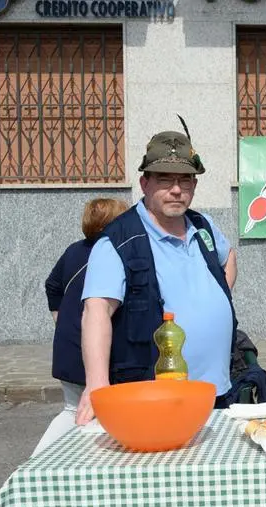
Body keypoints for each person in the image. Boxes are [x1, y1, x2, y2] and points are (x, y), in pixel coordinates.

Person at [76, 121, 238, 426]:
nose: (176, 190)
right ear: (145, 183)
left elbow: (228, 256)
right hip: (156, 401)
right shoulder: (119, 241)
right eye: (165, 180)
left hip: (218, 394)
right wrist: (96, 384)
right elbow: (95, 311)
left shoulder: (202, 226)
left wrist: (216, 298)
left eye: (185, 180)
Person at [32, 197, 129, 456]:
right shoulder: (115, 252)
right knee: (88, 413)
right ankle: (43, 466)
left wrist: (60, 319)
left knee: (73, 409)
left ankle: (37, 461)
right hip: (93, 348)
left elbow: (52, 285)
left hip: (69, 343)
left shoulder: (74, 250)